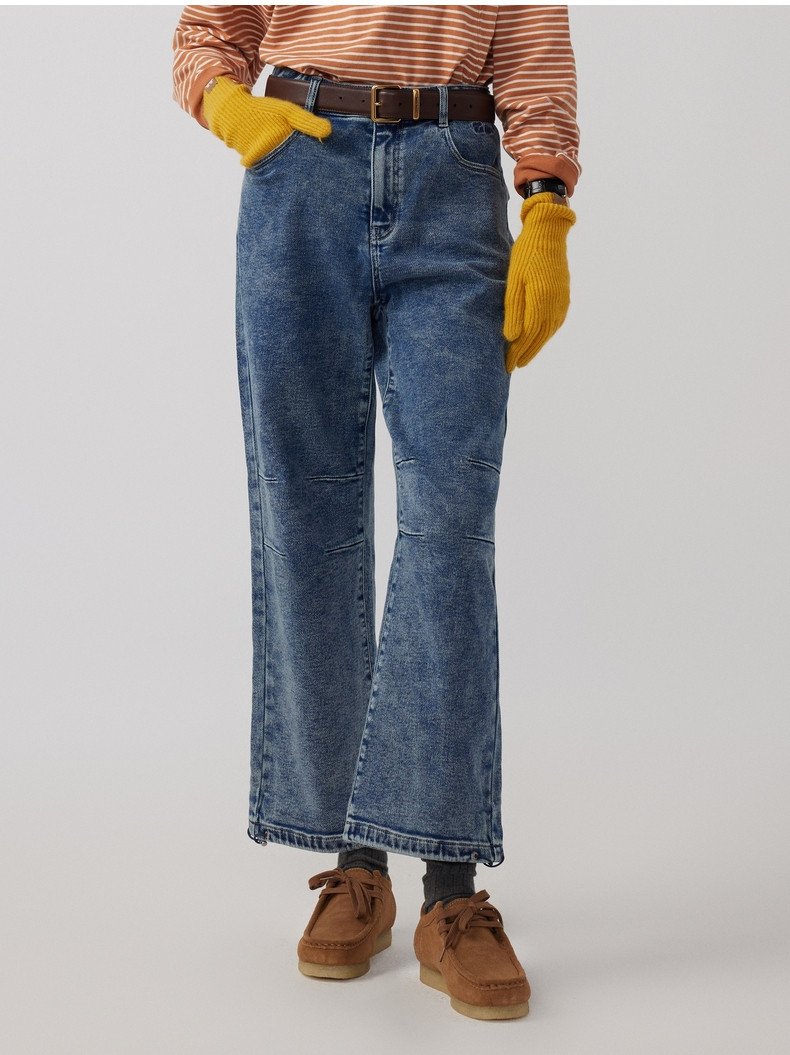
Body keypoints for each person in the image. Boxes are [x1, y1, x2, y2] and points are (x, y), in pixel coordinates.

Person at [172, 4, 579, 1021]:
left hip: (452, 173)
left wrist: (544, 210)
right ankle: (358, 866)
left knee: (450, 524)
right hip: (299, 171)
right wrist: (231, 108)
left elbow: (534, 53)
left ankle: (450, 891)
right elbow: (208, 33)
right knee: (308, 514)